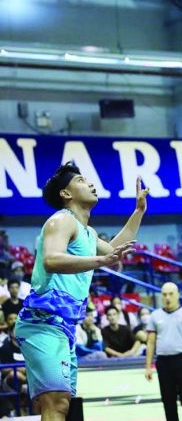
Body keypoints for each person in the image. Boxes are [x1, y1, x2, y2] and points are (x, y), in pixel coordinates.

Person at [14, 163, 146, 420]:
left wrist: (139, 211)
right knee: (55, 403)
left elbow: (113, 250)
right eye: (82, 180)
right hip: (42, 323)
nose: (91, 184)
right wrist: (100, 262)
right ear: (66, 194)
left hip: (64, 327)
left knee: (61, 404)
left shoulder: (87, 232)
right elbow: (52, 259)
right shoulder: (62, 219)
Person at [145, 283, 182, 421]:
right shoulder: (155, 315)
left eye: (171, 294)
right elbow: (150, 343)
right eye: (164, 294)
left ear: (178, 295)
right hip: (163, 362)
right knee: (168, 402)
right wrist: (147, 367)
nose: (167, 297)